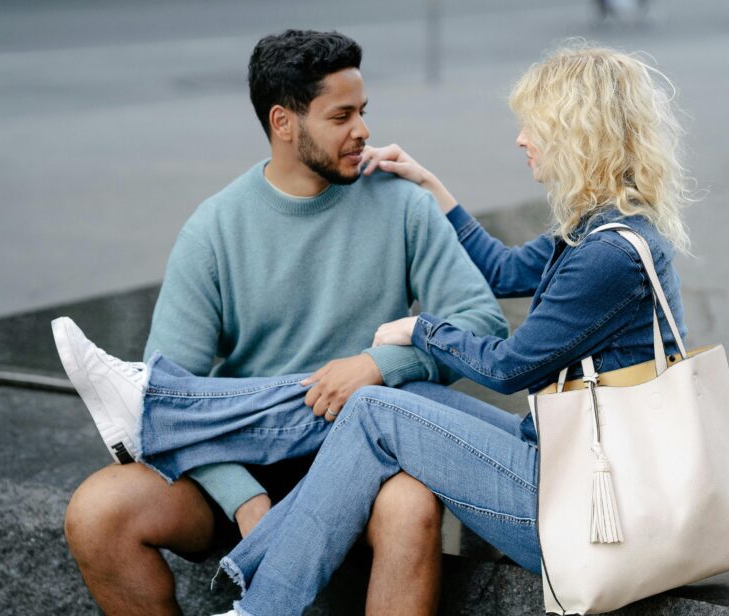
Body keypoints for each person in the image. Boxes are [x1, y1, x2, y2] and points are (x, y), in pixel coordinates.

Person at [56, 42, 693, 616]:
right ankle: (165, 423)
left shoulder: (605, 252)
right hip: (257, 462)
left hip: (588, 498)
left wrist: (400, 344)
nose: (523, 140)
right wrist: (433, 185)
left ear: (577, 136)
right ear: (283, 122)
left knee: (373, 407)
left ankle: (161, 421)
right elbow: (501, 267)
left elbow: (507, 363)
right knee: (381, 406)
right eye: (342, 115)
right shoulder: (596, 233)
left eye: (538, 127)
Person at [60, 29, 509, 616]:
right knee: (97, 511)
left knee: (410, 504)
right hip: (241, 463)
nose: (364, 131)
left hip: (365, 454)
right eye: (341, 116)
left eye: (363, 112)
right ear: (284, 123)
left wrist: (379, 364)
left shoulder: (402, 206)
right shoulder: (215, 229)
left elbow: (483, 324)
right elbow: (172, 406)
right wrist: (244, 498)